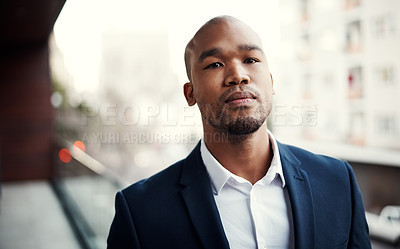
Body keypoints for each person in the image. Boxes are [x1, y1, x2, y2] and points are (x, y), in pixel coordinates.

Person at [107, 15, 371, 249]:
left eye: (250, 59)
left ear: (270, 81)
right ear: (190, 94)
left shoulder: (338, 182)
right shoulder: (140, 211)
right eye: (214, 64)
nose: (238, 75)